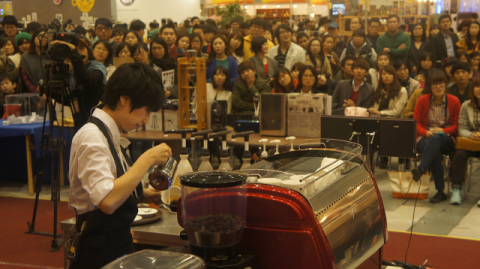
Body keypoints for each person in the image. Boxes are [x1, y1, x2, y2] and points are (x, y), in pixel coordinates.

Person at [67, 62, 171, 269]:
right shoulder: (92, 138)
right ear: (124, 100)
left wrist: (141, 194)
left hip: (115, 242)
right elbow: (107, 200)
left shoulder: (110, 132)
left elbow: (110, 184)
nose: (146, 119)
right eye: (146, 110)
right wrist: (147, 159)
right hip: (98, 249)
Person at [411, 70, 461, 203]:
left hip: (447, 137)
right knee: (434, 149)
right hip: (425, 136)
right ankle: (440, 192)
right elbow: (416, 122)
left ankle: (422, 168)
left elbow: (457, 125)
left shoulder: (454, 101)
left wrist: (443, 130)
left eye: (441, 83)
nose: (438, 87)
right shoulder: (423, 100)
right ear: (430, 87)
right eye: (435, 84)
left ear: (446, 85)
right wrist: (425, 132)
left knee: (436, 139)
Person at [52, 37, 107, 132]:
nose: (78, 52)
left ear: (89, 51)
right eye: (75, 49)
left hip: (97, 125)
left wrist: (74, 54)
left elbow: (88, 79)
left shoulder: (97, 67)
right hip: (79, 123)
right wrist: (49, 92)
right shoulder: (74, 74)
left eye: (81, 48)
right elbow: (71, 100)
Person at [450, 76, 480, 204]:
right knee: (460, 155)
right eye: (477, 86)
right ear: (473, 89)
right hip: (471, 142)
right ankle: (456, 190)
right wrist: (470, 135)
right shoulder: (466, 105)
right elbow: (461, 127)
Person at [20, 28, 51, 94]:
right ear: (34, 38)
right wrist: (36, 91)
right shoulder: (25, 57)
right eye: (40, 36)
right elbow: (25, 77)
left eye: (45, 37)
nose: (42, 39)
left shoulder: (50, 56)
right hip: (32, 93)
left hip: (50, 93)